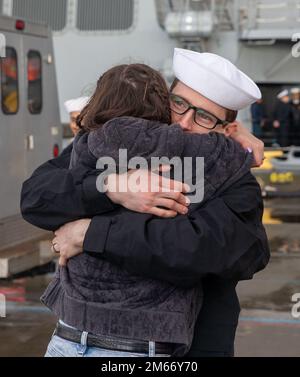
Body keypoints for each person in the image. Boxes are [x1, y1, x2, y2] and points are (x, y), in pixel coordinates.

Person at [21, 48, 269, 357]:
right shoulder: (117, 141)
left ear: (227, 129)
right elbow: (36, 195)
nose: (184, 123)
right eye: (178, 104)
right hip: (73, 333)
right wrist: (110, 187)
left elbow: (208, 248)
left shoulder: (232, 176)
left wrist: (90, 234)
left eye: (204, 116)